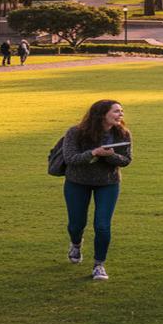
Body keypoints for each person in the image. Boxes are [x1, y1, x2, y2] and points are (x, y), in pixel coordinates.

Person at [60, 99, 132, 281]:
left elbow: (126, 160)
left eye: (121, 111)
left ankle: (99, 265)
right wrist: (93, 153)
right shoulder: (75, 133)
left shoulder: (123, 134)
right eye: (116, 111)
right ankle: (76, 243)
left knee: (102, 225)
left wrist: (111, 156)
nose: (120, 115)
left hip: (108, 183)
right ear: (101, 114)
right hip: (77, 182)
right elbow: (70, 159)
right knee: (76, 224)